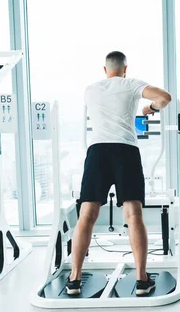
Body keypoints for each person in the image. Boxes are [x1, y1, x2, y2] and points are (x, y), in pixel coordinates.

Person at [66, 51, 172, 296]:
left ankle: (74, 279)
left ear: (105, 70)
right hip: (125, 150)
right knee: (133, 214)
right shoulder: (131, 84)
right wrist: (150, 107)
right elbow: (164, 98)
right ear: (125, 69)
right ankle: (142, 280)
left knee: (87, 214)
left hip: (98, 151)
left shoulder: (91, 89)